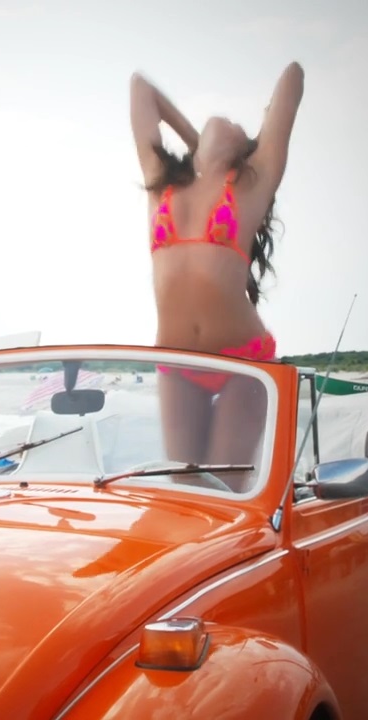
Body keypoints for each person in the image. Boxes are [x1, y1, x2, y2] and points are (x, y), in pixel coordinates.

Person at [130, 63, 304, 482]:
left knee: (225, 492)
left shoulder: (251, 185)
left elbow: (292, 78)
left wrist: (259, 131)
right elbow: (141, 89)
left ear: (246, 148)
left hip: (242, 364)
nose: (226, 119)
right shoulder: (161, 182)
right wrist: (197, 150)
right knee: (185, 492)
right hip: (176, 362)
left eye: (236, 125)